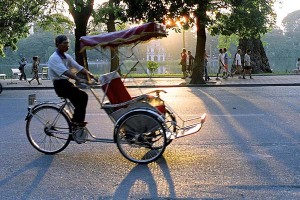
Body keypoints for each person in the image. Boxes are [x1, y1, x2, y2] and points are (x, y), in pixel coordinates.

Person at [48, 35, 94, 127]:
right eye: (65, 43)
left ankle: (76, 122)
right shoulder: (54, 58)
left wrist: (91, 75)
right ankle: (76, 123)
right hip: (60, 85)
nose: (67, 45)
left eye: (68, 43)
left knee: (80, 100)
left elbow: (78, 67)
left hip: (66, 84)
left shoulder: (66, 56)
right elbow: (65, 72)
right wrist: (78, 79)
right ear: (58, 44)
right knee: (83, 96)